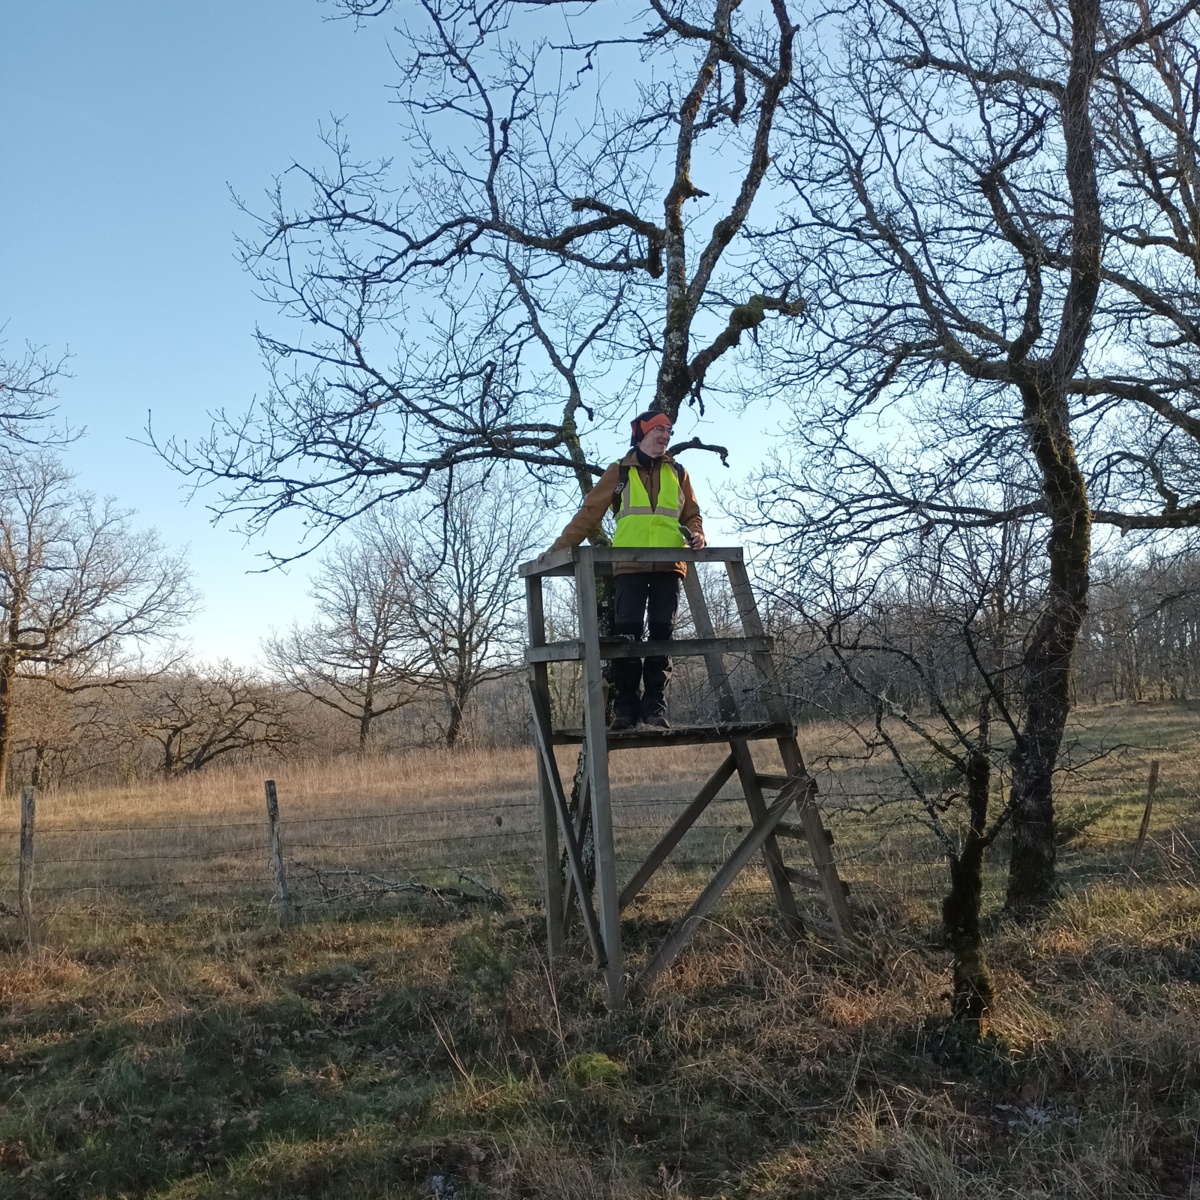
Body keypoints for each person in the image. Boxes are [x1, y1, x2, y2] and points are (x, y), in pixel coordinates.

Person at [543, 411, 707, 729]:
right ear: (642, 433)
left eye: (669, 431)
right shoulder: (618, 472)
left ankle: (655, 709)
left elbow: (692, 513)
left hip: (670, 566)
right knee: (627, 637)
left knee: (663, 635)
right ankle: (626, 710)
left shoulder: (679, 472)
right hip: (629, 567)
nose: (665, 436)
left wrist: (698, 533)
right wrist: (556, 551)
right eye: (659, 430)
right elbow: (589, 514)